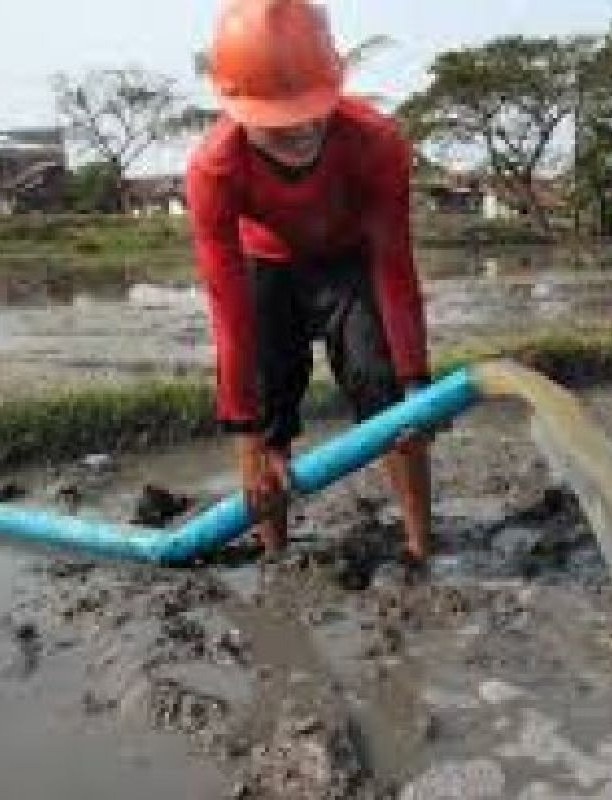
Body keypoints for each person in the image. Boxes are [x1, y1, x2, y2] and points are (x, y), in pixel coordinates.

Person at [187, 0, 432, 560]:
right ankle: (275, 554)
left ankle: (421, 546)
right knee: (269, 407)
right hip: (265, 266)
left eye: (310, 110)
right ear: (237, 108)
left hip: (351, 261)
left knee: (387, 392)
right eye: (276, 121)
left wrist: (416, 382)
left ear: (334, 85)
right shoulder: (213, 168)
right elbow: (228, 309)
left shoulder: (376, 141)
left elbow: (394, 261)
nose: (298, 129)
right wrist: (246, 435)